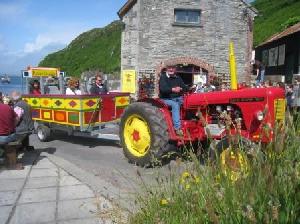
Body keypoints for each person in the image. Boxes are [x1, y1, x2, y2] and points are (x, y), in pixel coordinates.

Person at [159, 66, 189, 136]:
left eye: (173, 68)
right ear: (167, 69)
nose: (171, 69)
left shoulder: (177, 78)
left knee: (187, 104)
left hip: (178, 98)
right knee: (175, 105)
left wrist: (186, 88)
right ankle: (177, 128)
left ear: (175, 69)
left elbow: (184, 87)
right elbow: (163, 89)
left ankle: (188, 122)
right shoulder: (163, 77)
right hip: (166, 99)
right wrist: (173, 89)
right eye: (169, 68)